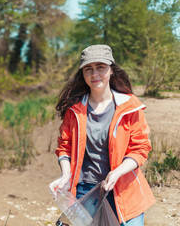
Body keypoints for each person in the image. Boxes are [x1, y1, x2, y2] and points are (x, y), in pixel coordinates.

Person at [48, 45, 155, 226]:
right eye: (88, 69)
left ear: (111, 70)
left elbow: (140, 148)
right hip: (85, 192)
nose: (94, 73)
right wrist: (65, 175)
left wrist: (116, 173)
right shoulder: (74, 110)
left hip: (124, 190)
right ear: (83, 74)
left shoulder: (129, 107)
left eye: (100, 67)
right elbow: (64, 146)